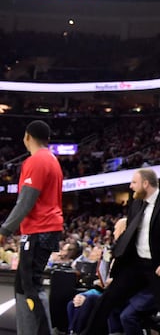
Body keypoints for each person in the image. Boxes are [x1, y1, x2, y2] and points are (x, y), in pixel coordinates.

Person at [81, 169, 160, 335]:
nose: (130, 186)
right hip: (137, 265)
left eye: (134, 182)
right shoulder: (136, 204)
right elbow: (130, 235)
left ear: (145, 184)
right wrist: (114, 253)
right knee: (106, 300)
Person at [0, 120, 63, 335]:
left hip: (39, 230)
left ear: (27, 136)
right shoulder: (52, 159)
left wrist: (4, 230)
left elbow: (25, 201)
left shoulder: (37, 161)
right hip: (44, 229)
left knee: (30, 287)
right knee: (25, 286)